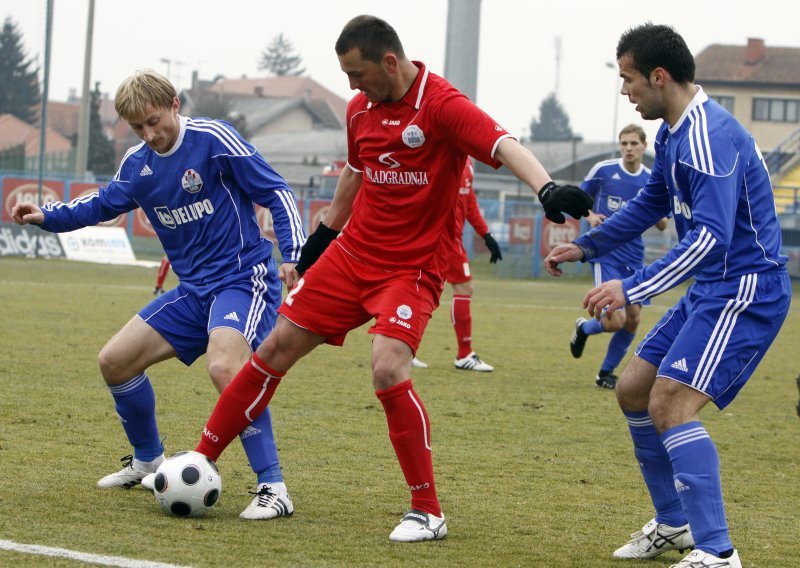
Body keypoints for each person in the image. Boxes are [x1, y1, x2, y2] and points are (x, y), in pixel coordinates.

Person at [188, 14, 591, 542]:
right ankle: (198, 463)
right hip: (353, 254)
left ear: (389, 62)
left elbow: (505, 144)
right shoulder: (360, 110)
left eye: (357, 75)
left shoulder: (441, 105)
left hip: (413, 267)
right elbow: (355, 173)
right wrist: (320, 241)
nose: (352, 87)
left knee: (387, 366)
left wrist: (545, 190)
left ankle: (428, 511)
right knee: (274, 348)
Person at [545, 23, 790, 568]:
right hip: (712, 287)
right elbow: (646, 206)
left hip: (745, 289)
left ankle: (718, 551)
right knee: (633, 389)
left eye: (629, 78)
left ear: (659, 76)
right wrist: (586, 248)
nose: (624, 90)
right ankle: (674, 524)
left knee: (671, 403)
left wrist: (631, 286)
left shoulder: (707, 136)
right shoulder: (675, 133)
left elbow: (710, 238)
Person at [11, 69, 306, 521]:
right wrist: (44, 215)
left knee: (226, 368)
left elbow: (277, 192)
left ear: (174, 103)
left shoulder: (213, 139)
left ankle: (273, 487)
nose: (149, 134)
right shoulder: (137, 165)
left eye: (154, 121)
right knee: (115, 360)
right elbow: (100, 204)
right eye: (137, 128)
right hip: (192, 291)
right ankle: (148, 459)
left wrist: (292, 254)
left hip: (241, 279)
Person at [569, 124, 668, 389]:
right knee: (616, 320)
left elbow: (663, 224)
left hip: (634, 257)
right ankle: (585, 328)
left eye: (634, 143)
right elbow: (578, 198)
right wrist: (590, 216)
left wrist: (657, 213)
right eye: (624, 143)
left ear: (644, 146)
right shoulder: (603, 171)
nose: (628, 148)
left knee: (634, 319)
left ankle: (605, 373)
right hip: (605, 254)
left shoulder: (652, 178)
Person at [415, 158, 502, 372]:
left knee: (420, 289)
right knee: (456, 288)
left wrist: (486, 234)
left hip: (453, 239)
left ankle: (400, 347)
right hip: (439, 237)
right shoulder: (441, 154)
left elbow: (469, 201)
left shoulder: (468, 162)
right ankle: (464, 354)